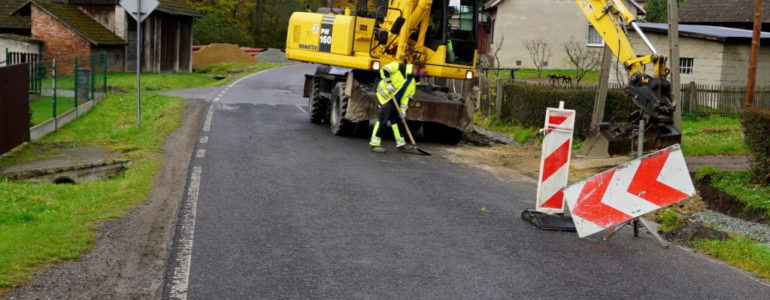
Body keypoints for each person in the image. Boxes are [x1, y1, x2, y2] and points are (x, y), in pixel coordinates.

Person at [369, 60, 427, 153]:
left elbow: (407, 98)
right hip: (385, 96)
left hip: (395, 100)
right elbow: (384, 70)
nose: (421, 74)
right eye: (420, 72)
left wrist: (403, 110)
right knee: (383, 118)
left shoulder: (413, 81)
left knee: (396, 120)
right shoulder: (399, 67)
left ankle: (401, 145)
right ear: (415, 68)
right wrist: (388, 83)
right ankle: (374, 144)